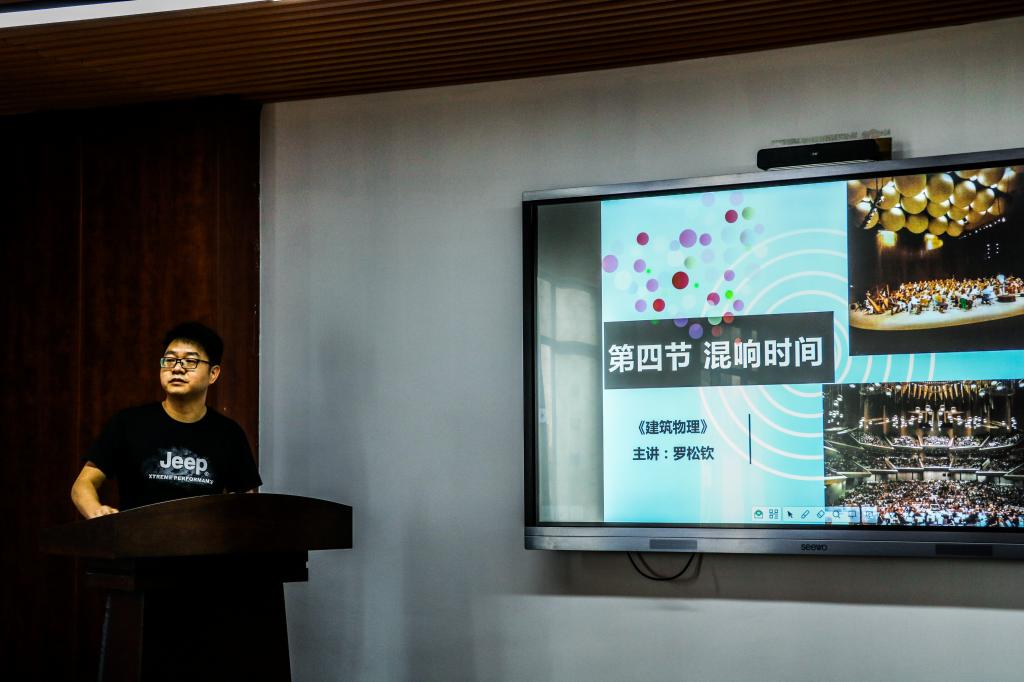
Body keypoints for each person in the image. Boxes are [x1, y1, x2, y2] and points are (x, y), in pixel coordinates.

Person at [71, 322, 261, 518]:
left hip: (202, 537)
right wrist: (96, 511)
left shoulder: (229, 434)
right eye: (169, 360)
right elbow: (83, 484)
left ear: (213, 374)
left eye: (190, 361)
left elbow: (246, 504)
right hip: (137, 536)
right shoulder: (127, 424)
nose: (177, 368)